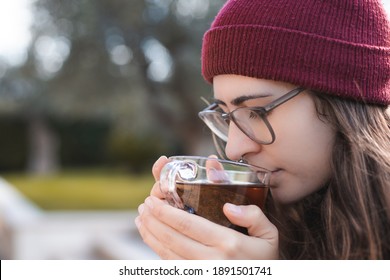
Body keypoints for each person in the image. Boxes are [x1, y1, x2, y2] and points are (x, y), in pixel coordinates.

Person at [135, 0, 390, 259]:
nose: (234, 150)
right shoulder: (270, 226)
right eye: (225, 115)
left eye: (258, 112)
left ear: (342, 103)